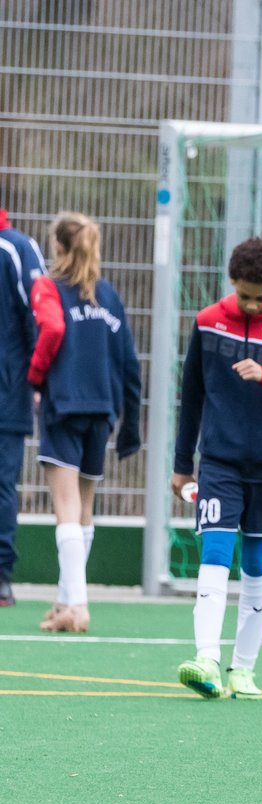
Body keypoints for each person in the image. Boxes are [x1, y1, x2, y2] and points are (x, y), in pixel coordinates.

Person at [172, 237, 262, 699]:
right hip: (219, 463)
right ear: (232, 282)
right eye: (245, 296)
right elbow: (192, 396)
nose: (254, 305)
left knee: (257, 566)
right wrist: (182, 465)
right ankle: (207, 661)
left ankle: (243, 669)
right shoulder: (208, 322)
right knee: (214, 556)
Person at [27, 212, 142, 632]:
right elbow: (130, 364)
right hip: (103, 410)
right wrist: (131, 424)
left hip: (64, 406)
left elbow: (53, 330)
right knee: (84, 508)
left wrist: (35, 377)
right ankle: (64, 601)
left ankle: (78, 605)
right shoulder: (108, 295)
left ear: (58, 247)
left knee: (65, 507)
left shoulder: (49, 287)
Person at [0, 208, 48, 607]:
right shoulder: (18, 247)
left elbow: (40, 317)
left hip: (8, 391)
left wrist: (36, 378)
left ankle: (0, 575)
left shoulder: (14, 247)